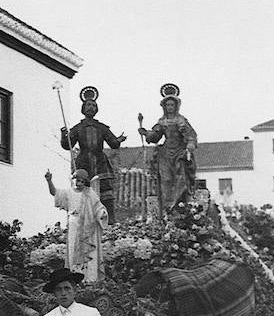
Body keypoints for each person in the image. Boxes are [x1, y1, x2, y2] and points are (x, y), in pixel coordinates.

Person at [60, 86, 126, 221]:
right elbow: (67, 145)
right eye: (88, 105)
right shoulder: (78, 128)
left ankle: (109, 220)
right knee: (82, 190)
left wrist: (119, 139)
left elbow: (113, 143)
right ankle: (82, 218)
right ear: (83, 109)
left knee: (105, 190)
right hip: (83, 162)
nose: (91, 107)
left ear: (96, 109)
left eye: (93, 105)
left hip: (100, 161)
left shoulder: (102, 128)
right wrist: (64, 135)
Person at [138, 84, 198, 212]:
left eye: (172, 105)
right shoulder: (162, 121)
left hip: (179, 153)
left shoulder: (181, 121)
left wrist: (190, 146)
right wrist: (146, 133)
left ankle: (179, 207)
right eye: (168, 105)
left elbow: (190, 135)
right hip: (165, 154)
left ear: (176, 106)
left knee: (180, 179)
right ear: (164, 107)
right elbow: (155, 137)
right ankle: (167, 208)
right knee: (166, 180)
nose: (170, 107)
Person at [45, 169, 108, 283]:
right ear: (72, 180)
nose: (78, 183)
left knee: (89, 252)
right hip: (74, 225)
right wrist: (49, 181)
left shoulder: (90, 193)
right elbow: (54, 192)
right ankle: (76, 277)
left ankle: (90, 279)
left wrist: (102, 214)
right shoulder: (68, 193)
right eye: (76, 180)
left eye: (81, 181)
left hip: (88, 227)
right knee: (74, 251)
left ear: (85, 183)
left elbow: (98, 207)